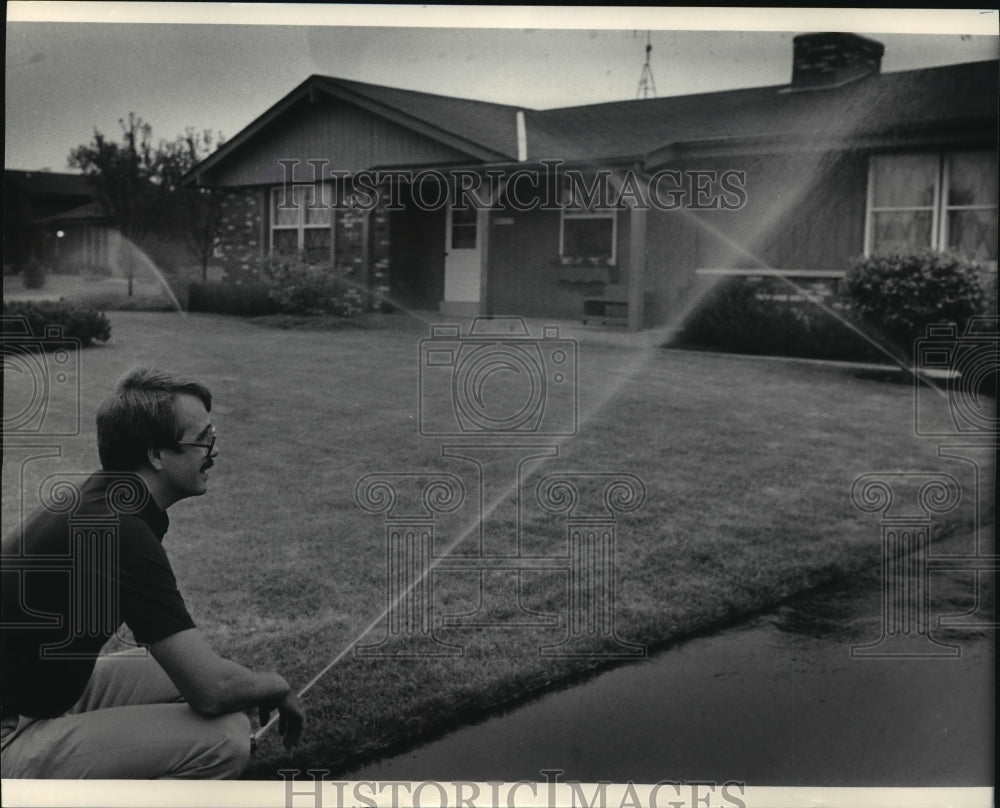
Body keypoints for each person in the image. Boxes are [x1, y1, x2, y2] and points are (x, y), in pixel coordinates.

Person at [1, 367, 305, 778]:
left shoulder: (106, 500)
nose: (213, 452)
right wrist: (277, 683)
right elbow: (211, 692)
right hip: (11, 731)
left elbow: (201, 673)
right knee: (225, 737)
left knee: (191, 674)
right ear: (156, 455)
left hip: (34, 693)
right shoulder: (120, 531)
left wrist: (252, 682)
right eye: (203, 440)